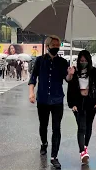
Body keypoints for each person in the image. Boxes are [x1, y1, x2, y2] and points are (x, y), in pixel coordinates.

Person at [28, 35, 74, 169]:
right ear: (47, 46)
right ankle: (44, 143)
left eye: (57, 45)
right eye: (53, 45)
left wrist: (70, 74)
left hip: (57, 100)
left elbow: (67, 79)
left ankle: (54, 156)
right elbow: (33, 77)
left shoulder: (63, 62)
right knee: (43, 125)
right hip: (42, 99)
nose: (56, 47)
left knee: (56, 128)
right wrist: (31, 92)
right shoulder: (39, 61)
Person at [67, 50, 96, 165]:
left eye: (85, 60)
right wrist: (72, 103)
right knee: (81, 127)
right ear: (78, 61)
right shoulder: (75, 72)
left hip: (91, 102)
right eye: (81, 61)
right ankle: (82, 152)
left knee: (89, 126)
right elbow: (70, 88)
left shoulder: (94, 72)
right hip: (78, 102)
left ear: (89, 61)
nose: (83, 62)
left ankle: (85, 147)